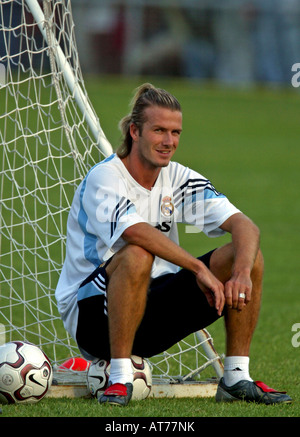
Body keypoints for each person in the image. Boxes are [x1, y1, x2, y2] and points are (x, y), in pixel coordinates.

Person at [55, 83, 292, 407]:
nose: (169, 141)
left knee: (246, 255)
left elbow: (244, 225)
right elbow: (135, 232)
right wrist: (197, 268)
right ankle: (120, 378)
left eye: (175, 132)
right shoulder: (105, 177)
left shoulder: (177, 178)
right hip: (93, 314)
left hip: (153, 306)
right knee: (138, 254)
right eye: (159, 130)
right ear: (135, 131)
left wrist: (241, 274)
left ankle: (237, 376)